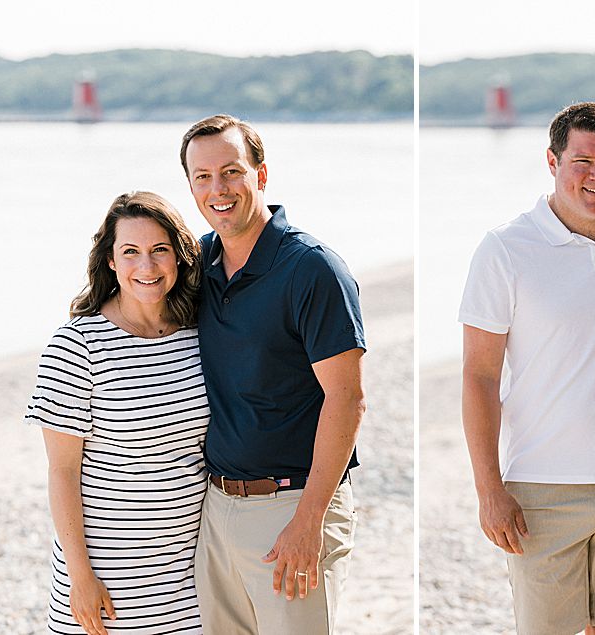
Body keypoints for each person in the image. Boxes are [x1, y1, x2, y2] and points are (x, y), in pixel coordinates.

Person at [459, 102, 595, 635]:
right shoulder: (505, 248)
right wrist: (489, 490)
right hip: (541, 490)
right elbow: (479, 376)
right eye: (583, 161)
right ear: (552, 161)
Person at [181, 114, 366, 635]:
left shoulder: (311, 269)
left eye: (232, 172)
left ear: (261, 175)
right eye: (202, 176)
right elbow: (129, 287)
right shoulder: (201, 263)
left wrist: (309, 522)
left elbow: (348, 401)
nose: (218, 189)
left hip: (293, 506)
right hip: (215, 509)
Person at [26, 191, 209, 635]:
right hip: (108, 579)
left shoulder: (200, 335)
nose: (146, 267)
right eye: (130, 252)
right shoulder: (77, 344)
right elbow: (63, 472)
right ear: (110, 260)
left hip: (189, 577)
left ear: (181, 256)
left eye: (159, 250)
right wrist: (80, 577)